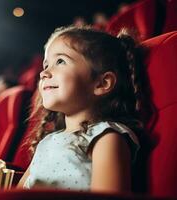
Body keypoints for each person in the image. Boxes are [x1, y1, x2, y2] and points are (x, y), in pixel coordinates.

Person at [18, 26, 147, 193]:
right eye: (46, 65)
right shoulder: (47, 141)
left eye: (60, 61)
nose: (44, 73)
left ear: (102, 83)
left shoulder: (106, 137)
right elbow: (17, 194)